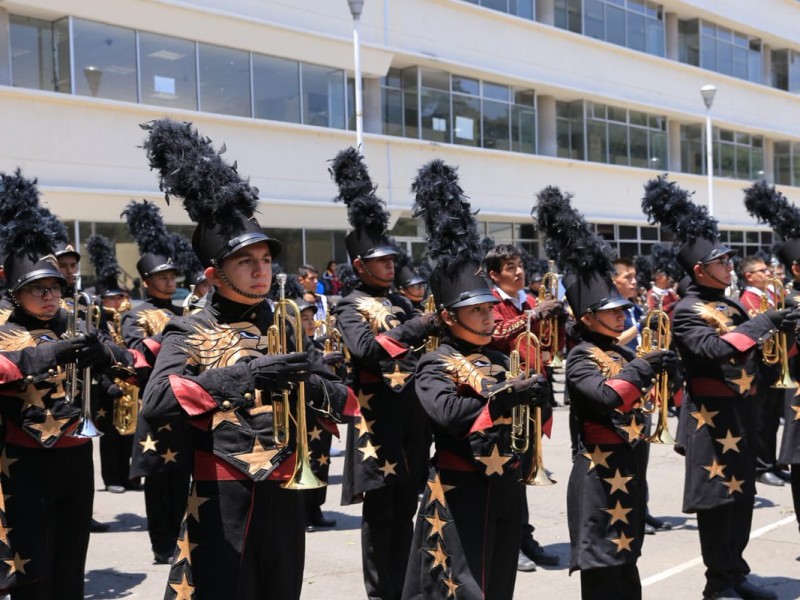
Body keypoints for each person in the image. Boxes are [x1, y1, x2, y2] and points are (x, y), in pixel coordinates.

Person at [141, 118, 350, 598]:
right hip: (222, 493)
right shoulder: (190, 328)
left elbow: (342, 398)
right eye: (246, 262)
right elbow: (156, 402)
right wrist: (246, 376)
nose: (261, 271)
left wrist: (314, 387)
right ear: (215, 274)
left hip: (286, 490)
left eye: (265, 260)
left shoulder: (287, 319)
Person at [643, 175, 796, 600]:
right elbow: (712, 349)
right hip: (709, 419)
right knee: (717, 502)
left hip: (742, 412)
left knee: (742, 498)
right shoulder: (687, 310)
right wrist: (764, 322)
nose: (730, 266)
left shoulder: (727, 304)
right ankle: (717, 582)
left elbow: (751, 354)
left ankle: (735, 571)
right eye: (722, 262)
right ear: (699, 270)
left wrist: (779, 344)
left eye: (730, 259)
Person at [403, 159, 550, 599]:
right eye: (477, 311)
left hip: (504, 483)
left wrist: (535, 397)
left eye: (489, 309)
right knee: (460, 588)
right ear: (449, 316)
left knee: (499, 581)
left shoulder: (499, 359)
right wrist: (506, 399)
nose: (488, 318)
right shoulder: (436, 362)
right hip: (458, 489)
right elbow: (447, 413)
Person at [0, 171, 137, 599]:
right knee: (32, 567)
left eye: (54, 287)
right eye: (36, 289)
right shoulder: (3, 328)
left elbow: (130, 361)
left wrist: (106, 358)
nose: (48, 297)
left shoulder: (74, 322)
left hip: (77, 455)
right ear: (15, 291)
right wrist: (46, 355)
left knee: (70, 562)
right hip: (22, 459)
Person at [537, 186, 676, 600]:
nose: (620, 316)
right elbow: (605, 397)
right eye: (611, 311)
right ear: (586, 317)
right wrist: (642, 365)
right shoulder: (581, 355)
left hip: (627, 466)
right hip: (597, 473)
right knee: (602, 566)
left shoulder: (615, 350)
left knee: (626, 562)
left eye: (620, 310)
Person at [330, 147, 434, 600]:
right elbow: (366, 349)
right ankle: (380, 593)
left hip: (411, 417)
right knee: (381, 514)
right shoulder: (349, 305)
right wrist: (417, 327)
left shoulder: (404, 303)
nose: (392, 265)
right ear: (359, 266)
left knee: (407, 509)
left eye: (393, 259)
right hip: (376, 422)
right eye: (382, 260)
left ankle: (401, 586)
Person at [121, 200, 191, 565]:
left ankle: (182, 536)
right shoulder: (136, 313)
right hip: (154, 399)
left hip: (185, 402)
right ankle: (161, 543)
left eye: (172, 276)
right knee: (158, 478)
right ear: (147, 281)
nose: (170, 282)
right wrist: (173, 336)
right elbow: (134, 350)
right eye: (162, 277)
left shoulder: (185, 311)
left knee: (183, 477)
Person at [484, 243, 561, 572]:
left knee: (525, 470)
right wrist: (532, 316)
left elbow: (548, 346)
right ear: (494, 274)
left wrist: (555, 322)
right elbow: (495, 333)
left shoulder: (528, 300)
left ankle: (523, 536)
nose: (519, 271)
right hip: (508, 396)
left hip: (534, 392)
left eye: (519, 265)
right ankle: (507, 542)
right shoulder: (490, 302)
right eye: (510, 267)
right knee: (507, 476)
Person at [86, 234, 141, 495]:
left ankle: (130, 475)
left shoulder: (125, 320)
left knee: (129, 434)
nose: (117, 302)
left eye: (120, 297)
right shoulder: (97, 322)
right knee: (110, 436)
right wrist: (109, 384)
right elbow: (98, 356)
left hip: (129, 386)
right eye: (112, 299)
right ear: (101, 300)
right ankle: (112, 478)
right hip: (107, 388)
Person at [737, 255, 788, 488]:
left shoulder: (769, 296)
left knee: (772, 419)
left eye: (768, 270)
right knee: (761, 420)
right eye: (763, 271)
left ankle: (773, 462)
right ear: (749, 276)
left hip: (776, 363)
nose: (769, 274)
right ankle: (762, 467)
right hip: (760, 365)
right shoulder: (748, 299)